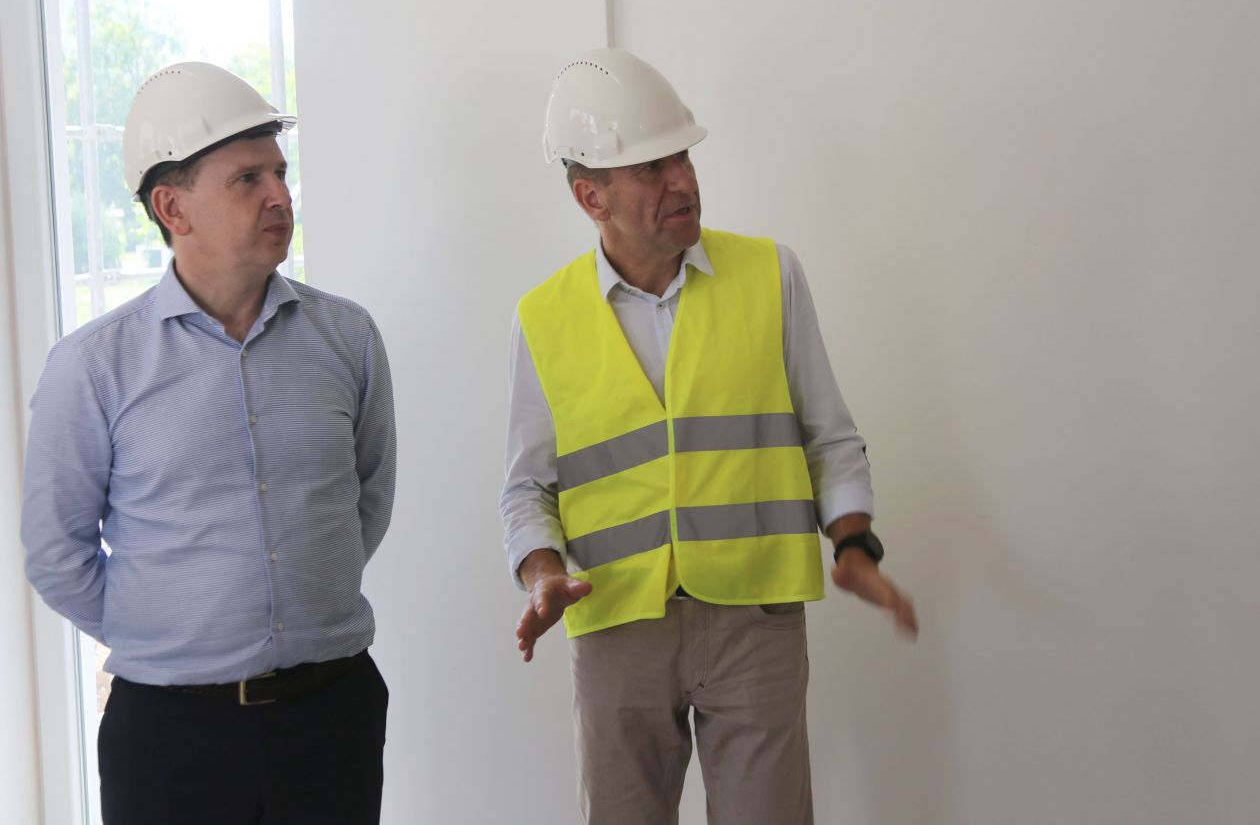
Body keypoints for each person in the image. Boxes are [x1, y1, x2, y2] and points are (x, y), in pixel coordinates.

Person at [500, 47, 918, 825]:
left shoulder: (771, 275)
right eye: (651, 169)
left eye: (683, 158)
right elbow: (527, 489)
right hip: (616, 623)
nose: (682, 182)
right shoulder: (543, 318)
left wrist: (854, 543)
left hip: (753, 621)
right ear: (591, 196)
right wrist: (541, 572)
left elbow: (830, 438)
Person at [21, 61, 396, 824]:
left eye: (280, 173)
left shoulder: (347, 336)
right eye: (248, 178)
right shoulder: (94, 367)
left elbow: (367, 498)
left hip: (333, 715)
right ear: (172, 206)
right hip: (171, 734)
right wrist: (169, 632)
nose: (280, 195)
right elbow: (56, 552)